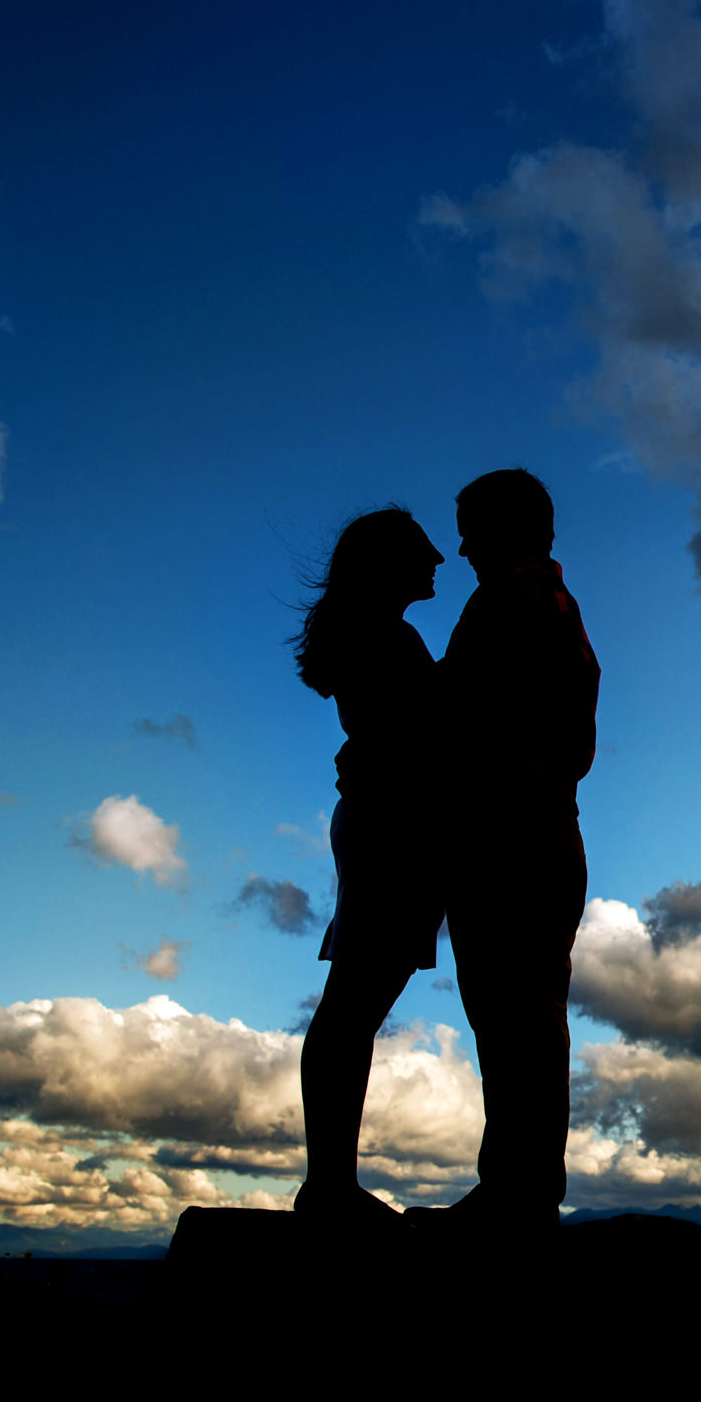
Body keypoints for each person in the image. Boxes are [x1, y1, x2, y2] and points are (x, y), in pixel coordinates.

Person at [439, 468, 599, 1237]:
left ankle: (517, 1194)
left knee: (514, 1019)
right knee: (523, 1018)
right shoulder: (550, 601)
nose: (461, 545)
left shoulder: (512, 598)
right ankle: (519, 1188)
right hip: (537, 834)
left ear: (510, 527)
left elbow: (467, 720)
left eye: (472, 526)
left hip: (514, 838)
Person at [288, 505, 446, 1222]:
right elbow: (424, 737)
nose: (440, 558)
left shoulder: (378, 637)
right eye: (423, 550)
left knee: (353, 1007)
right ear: (389, 564)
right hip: (391, 830)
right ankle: (328, 1187)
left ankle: (330, 1183)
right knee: (352, 1008)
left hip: (382, 826)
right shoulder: (389, 640)